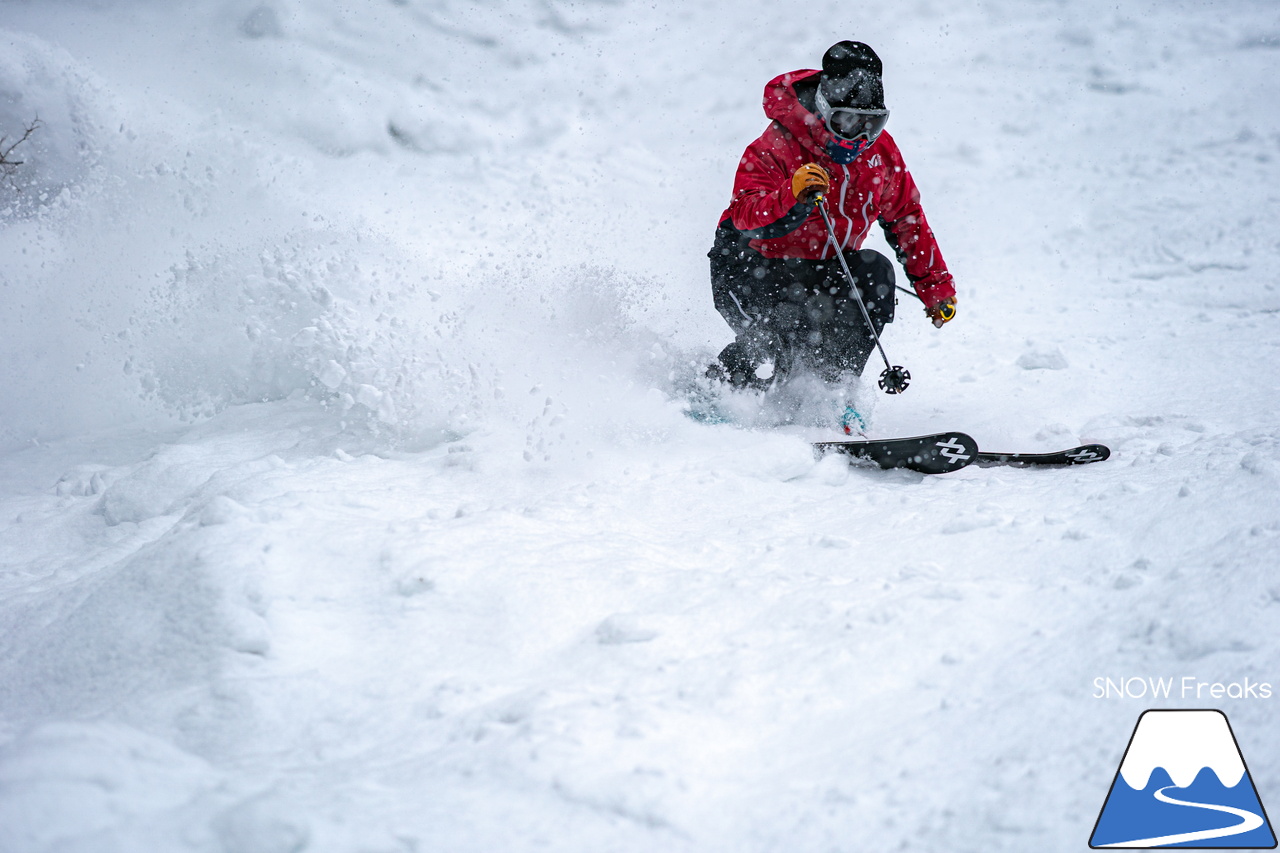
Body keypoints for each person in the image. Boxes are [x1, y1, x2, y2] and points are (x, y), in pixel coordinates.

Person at [708, 40, 957, 393]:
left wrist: (935, 286)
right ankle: (718, 394)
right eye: (848, 120)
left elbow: (906, 217)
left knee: (875, 272)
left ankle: (830, 393)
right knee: (777, 341)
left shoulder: (880, 153)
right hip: (751, 268)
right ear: (824, 107)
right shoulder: (775, 144)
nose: (860, 135)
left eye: (872, 124)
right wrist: (791, 196)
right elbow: (747, 216)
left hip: (823, 271)